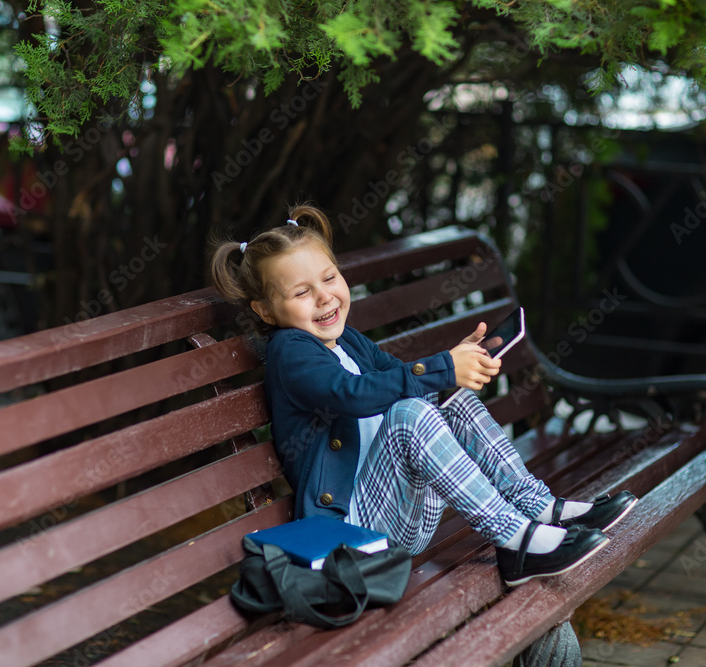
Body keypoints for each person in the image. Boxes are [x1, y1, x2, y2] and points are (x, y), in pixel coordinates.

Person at [209, 203, 637, 586]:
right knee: (412, 412)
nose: (325, 297)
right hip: (354, 533)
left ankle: (538, 508)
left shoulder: (348, 340)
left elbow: (399, 377)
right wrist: (442, 368)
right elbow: (349, 394)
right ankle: (515, 540)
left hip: (400, 509)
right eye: (302, 292)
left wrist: (453, 365)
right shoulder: (291, 351)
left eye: (329, 277)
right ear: (265, 310)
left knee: (454, 399)